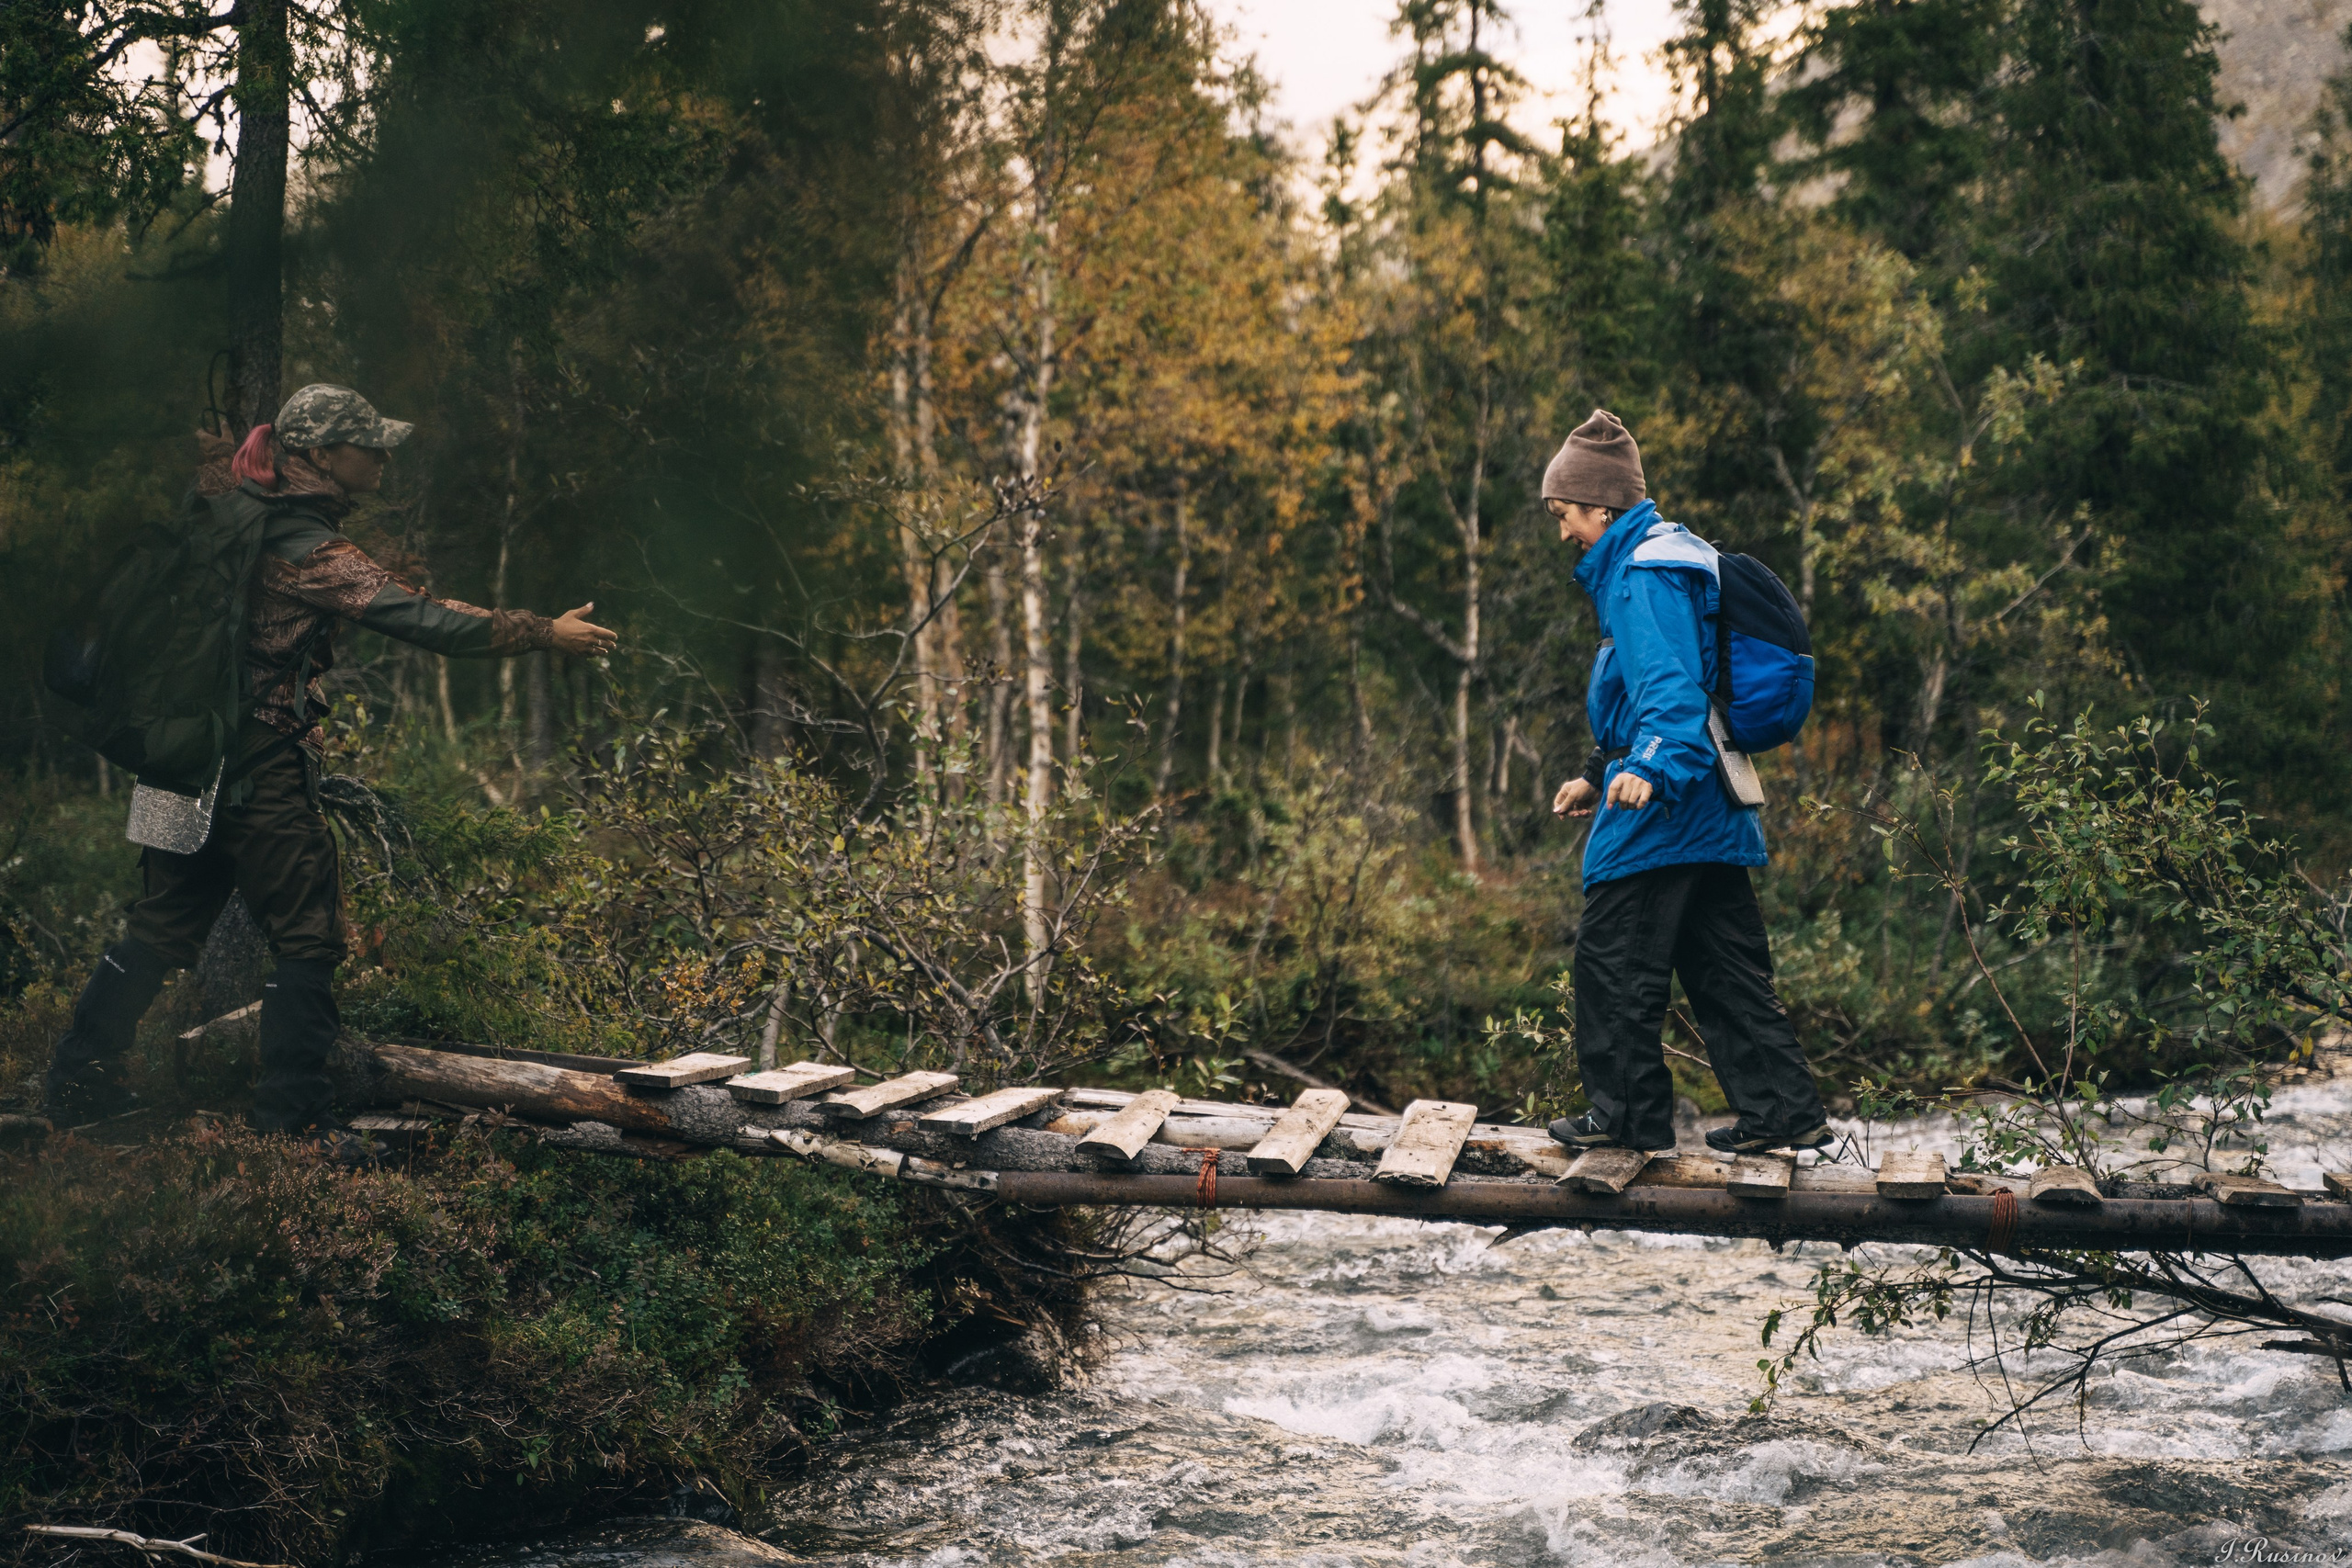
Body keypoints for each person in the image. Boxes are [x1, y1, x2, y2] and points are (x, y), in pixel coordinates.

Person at [40, 383, 618, 1143]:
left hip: (182, 757)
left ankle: (77, 1084)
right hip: (260, 766)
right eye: (366, 445)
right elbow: (423, 616)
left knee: (159, 928)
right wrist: (543, 631)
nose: (381, 458)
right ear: (319, 453)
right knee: (309, 936)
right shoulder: (308, 548)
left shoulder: (230, 512)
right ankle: (294, 1120)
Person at [1542, 409, 1831, 1156]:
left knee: (1612, 963)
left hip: (1671, 804)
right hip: (1711, 802)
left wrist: (1648, 768)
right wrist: (1598, 772)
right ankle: (1783, 1109)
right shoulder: (1670, 559)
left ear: (1602, 509)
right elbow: (1653, 694)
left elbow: (1670, 692)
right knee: (1724, 967)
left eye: (1565, 513)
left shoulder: (1642, 575)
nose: (1563, 531)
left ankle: (1626, 1118)